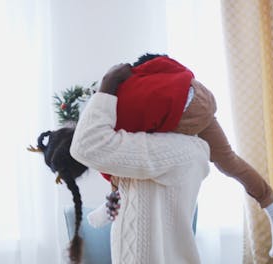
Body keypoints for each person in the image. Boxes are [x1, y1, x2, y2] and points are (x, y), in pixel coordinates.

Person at [84, 54, 273, 258]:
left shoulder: (140, 90)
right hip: (202, 101)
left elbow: (107, 149)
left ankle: (113, 198)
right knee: (229, 161)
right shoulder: (174, 74)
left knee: (125, 150)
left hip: (181, 112)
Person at [70, 63, 211, 263]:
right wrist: (113, 206)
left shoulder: (176, 149)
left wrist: (108, 85)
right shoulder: (164, 151)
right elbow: (150, 199)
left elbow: (85, 145)